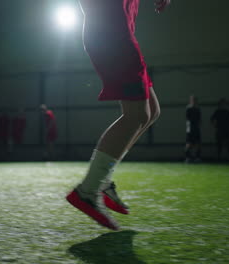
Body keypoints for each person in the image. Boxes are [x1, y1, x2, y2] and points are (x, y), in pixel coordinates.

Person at [66, 0, 171, 230]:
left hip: (120, 33)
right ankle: (88, 190)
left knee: (150, 112)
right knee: (136, 115)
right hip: (110, 34)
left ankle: (100, 182)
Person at [184, 95, 201, 163]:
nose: (193, 101)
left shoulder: (198, 108)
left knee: (197, 144)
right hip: (190, 129)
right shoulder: (188, 108)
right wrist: (189, 128)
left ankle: (197, 157)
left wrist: (198, 125)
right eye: (192, 100)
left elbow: (199, 119)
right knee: (188, 144)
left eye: (194, 100)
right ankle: (188, 157)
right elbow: (188, 118)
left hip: (196, 128)